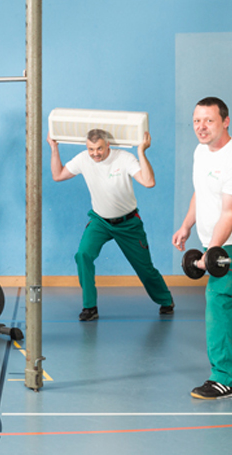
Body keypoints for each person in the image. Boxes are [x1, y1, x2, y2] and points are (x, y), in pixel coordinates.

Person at [173, 96, 232, 400]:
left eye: (209, 120)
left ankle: (224, 379)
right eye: (196, 121)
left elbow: (230, 213)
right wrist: (186, 225)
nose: (201, 127)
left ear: (225, 122)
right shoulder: (201, 151)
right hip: (215, 241)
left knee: (218, 297)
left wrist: (209, 253)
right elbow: (200, 192)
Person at [48, 129, 174, 321]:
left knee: (145, 268)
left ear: (108, 145)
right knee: (83, 255)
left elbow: (149, 182)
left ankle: (165, 300)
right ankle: (90, 307)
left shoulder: (124, 158)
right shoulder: (83, 159)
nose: (95, 153)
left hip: (128, 223)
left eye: (99, 148)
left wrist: (141, 152)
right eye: (91, 149)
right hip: (100, 221)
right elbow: (58, 175)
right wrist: (54, 147)